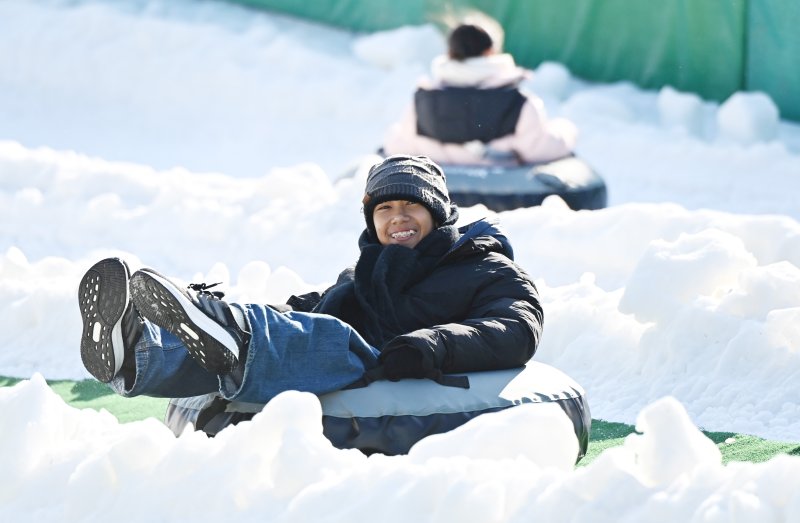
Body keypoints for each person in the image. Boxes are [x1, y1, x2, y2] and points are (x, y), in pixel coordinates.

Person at [78, 155, 543, 408]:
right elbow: (330, 302)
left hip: (401, 361)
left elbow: (516, 327)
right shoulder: (370, 270)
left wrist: (433, 344)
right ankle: (140, 354)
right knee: (292, 326)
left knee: (335, 341)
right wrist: (293, 307)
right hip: (367, 355)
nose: (397, 219)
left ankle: (230, 332)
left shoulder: (488, 267)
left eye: (410, 207)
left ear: (437, 214)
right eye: (384, 210)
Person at [382, 23, 577, 166]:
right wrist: (566, 131)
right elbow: (538, 151)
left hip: (437, 185)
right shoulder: (518, 102)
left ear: (449, 54)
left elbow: (402, 147)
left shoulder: (423, 99)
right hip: (503, 190)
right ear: (491, 52)